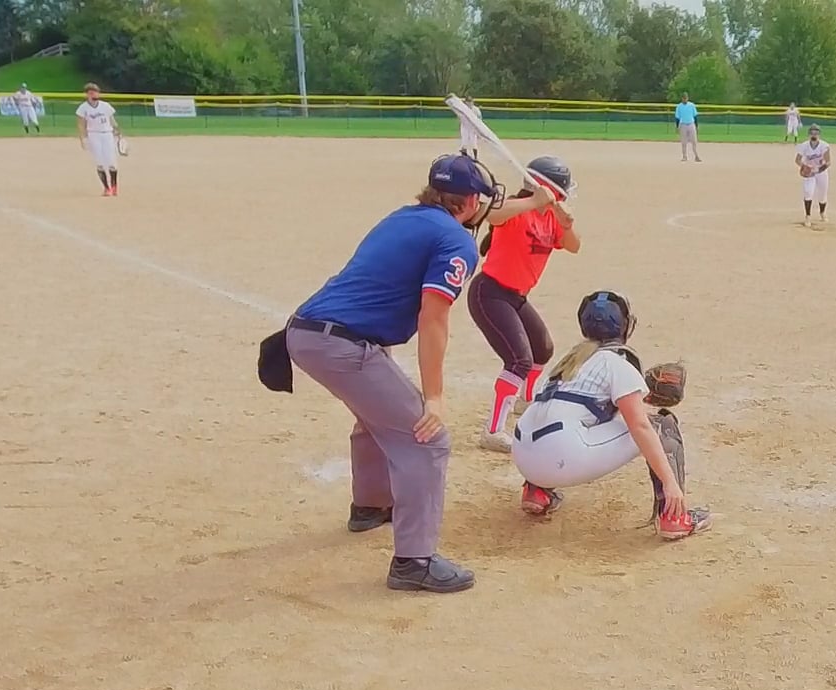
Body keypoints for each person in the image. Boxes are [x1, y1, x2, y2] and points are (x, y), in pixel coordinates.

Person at [283, 153, 498, 593]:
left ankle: (371, 506)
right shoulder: (456, 241)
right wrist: (434, 398)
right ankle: (413, 561)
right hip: (342, 345)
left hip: (307, 332)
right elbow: (433, 319)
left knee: (377, 416)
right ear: (471, 202)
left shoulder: (406, 217)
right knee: (426, 438)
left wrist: (538, 203)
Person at [509, 290, 711, 540]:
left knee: (560, 420)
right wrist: (670, 483)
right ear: (625, 326)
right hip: (561, 456)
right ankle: (674, 517)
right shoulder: (617, 364)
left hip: (523, 456)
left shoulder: (569, 362)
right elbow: (639, 426)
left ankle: (536, 491)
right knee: (661, 425)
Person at [470, 155, 581, 451]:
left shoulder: (551, 218)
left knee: (542, 349)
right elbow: (491, 216)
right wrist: (533, 201)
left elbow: (574, 246)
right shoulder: (518, 209)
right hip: (490, 293)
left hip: (516, 296)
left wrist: (567, 224)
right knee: (519, 360)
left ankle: (525, 401)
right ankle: (493, 431)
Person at [75, 83, 122, 196]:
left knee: (111, 162)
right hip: (93, 135)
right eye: (91, 93)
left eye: (96, 92)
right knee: (99, 162)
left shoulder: (105, 106)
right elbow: (81, 124)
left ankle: (114, 186)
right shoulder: (83, 108)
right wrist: (83, 139)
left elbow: (111, 119)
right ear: (87, 95)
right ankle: (106, 188)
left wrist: (117, 129)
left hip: (107, 134)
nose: (94, 95)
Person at [796, 125, 832, 227]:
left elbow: (828, 162)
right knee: (808, 192)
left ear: (819, 134)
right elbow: (797, 160)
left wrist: (818, 169)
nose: (814, 135)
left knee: (822, 195)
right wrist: (805, 166)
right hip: (809, 173)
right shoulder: (804, 146)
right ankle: (808, 216)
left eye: (816, 133)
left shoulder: (824, 146)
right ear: (809, 134)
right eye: (812, 133)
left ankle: (822, 212)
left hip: (821, 173)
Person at [675, 94, 701, 162]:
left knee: (694, 141)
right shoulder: (679, 106)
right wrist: (677, 127)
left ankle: (696, 156)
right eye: (684, 98)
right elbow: (677, 118)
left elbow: (695, 117)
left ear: (687, 98)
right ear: (682, 98)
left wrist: (697, 126)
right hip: (683, 124)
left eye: (686, 98)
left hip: (691, 124)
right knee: (684, 142)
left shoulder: (692, 105)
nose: (685, 99)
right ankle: (684, 156)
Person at [456, 95, 482, 159]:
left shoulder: (476, 109)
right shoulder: (462, 109)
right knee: (464, 142)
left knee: (474, 143)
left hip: (473, 128)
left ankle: (475, 158)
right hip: (464, 127)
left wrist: (478, 129)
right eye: (468, 102)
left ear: (472, 102)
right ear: (465, 102)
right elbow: (459, 118)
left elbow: (479, 119)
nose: (469, 103)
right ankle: (464, 158)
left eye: (470, 101)